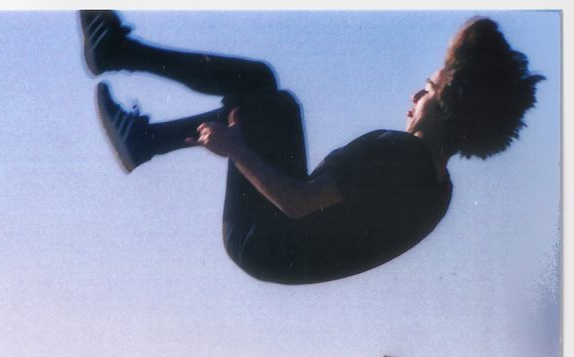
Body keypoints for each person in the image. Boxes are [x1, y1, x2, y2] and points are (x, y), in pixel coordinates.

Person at [80, 12, 543, 285]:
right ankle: (142, 133)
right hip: (279, 251)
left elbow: (298, 203)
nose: (414, 97)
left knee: (262, 86)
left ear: (445, 104)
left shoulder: (401, 155)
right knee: (270, 103)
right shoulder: (437, 190)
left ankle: (119, 54)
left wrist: (236, 149)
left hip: (267, 238)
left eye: (426, 89)